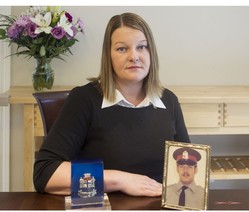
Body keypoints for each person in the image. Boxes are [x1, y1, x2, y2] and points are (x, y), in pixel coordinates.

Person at [33, 12, 190, 197]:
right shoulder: (84, 99)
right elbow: (45, 172)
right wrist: (120, 180)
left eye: (142, 47)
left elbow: (188, 170)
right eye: (122, 49)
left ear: (151, 53)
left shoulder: (168, 100)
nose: (134, 56)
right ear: (108, 56)